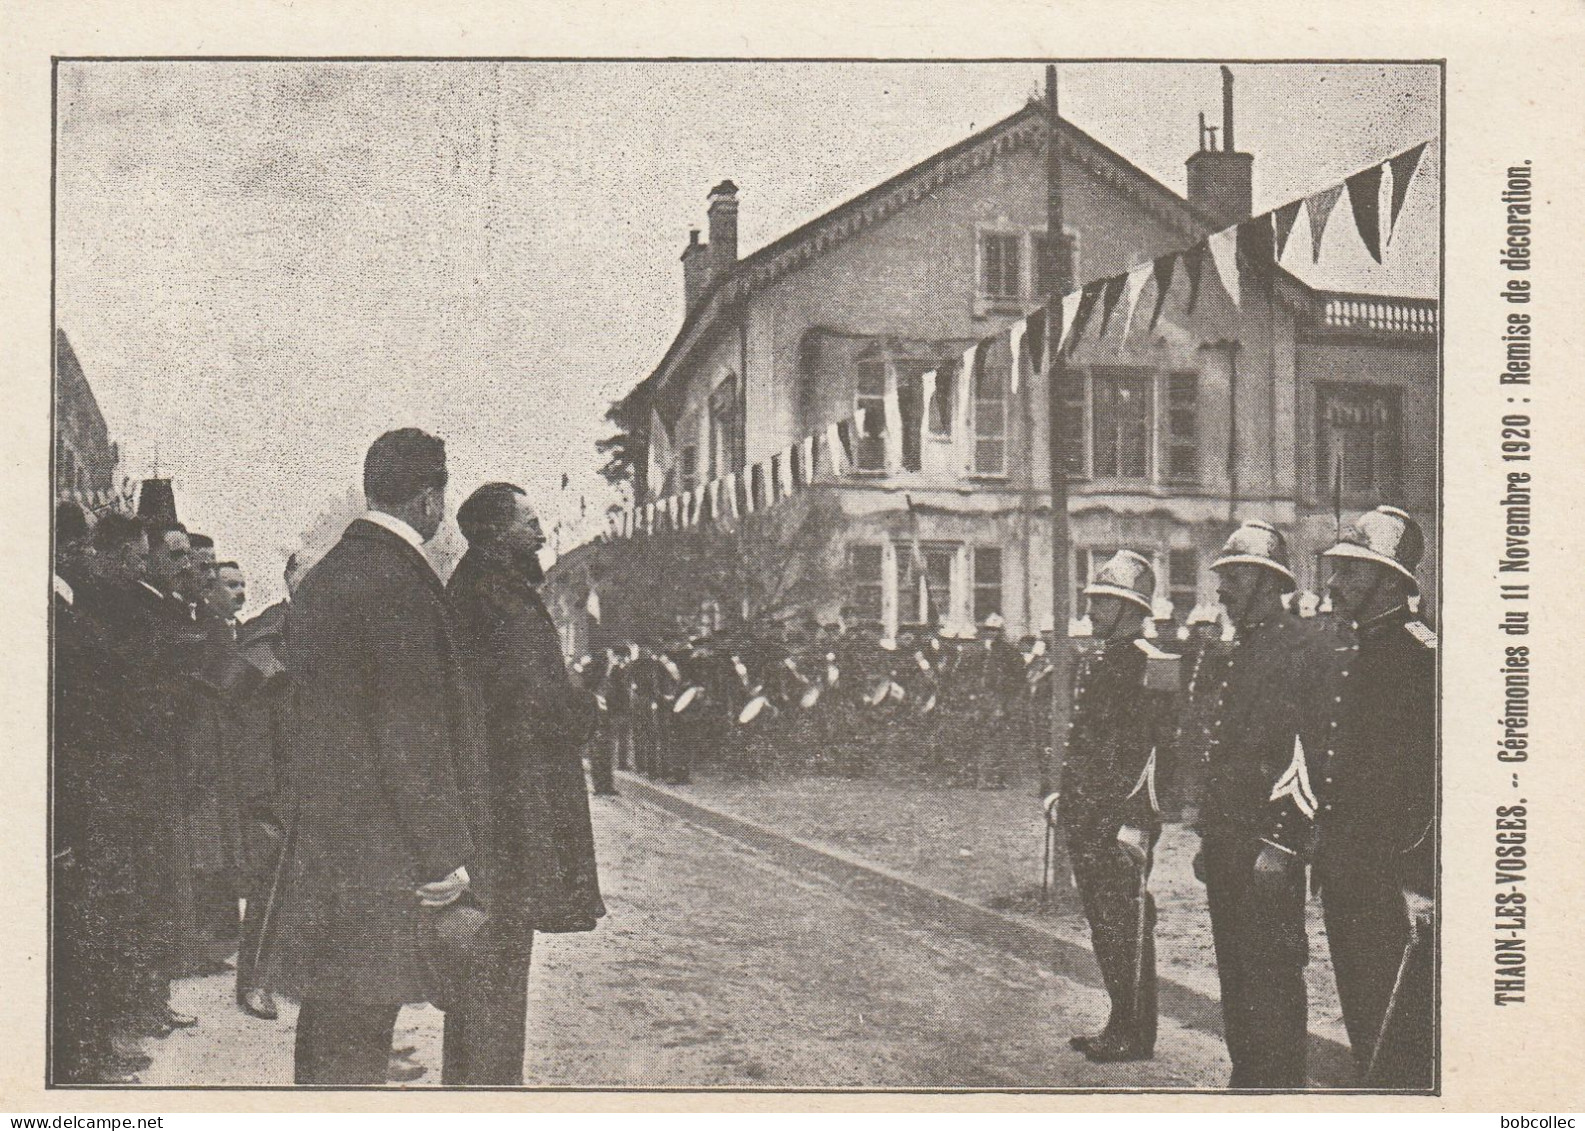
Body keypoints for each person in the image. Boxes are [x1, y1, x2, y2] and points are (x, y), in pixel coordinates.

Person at [269, 428, 488, 1085]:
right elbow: (409, 734)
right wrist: (442, 853)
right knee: (360, 1030)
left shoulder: (329, 575)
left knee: (329, 1024)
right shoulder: (399, 584)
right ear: (429, 500)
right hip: (381, 852)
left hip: (328, 843)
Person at [443, 482, 604, 1085]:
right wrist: (585, 711)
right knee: (499, 956)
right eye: (529, 523)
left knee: (489, 960)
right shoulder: (499, 597)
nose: (540, 535)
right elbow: (534, 699)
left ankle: (474, 1085)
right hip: (508, 805)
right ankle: (489, 1092)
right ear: (494, 532)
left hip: (497, 796)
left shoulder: (484, 588)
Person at [1194, 520, 1337, 1089]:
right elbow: (1221, 749)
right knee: (1235, 968)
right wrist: (1210, 835)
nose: (1222, 591)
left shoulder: (1301, 646)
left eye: (1232, 578)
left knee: (1272, 971)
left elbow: (1309, 751)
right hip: (1231, 840)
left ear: (1261, 581)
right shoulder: (1240, 648)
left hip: (1267, 845)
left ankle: (1278, 1088)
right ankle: (1249, 1080)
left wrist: (1282, 841)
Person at [1311, 506, 1436, 1088]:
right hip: (1346, 868)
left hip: (1392, 879)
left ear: (1391, 581)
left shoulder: (1421, 659)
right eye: (1335, 572)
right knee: (1367, 1018)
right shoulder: (1354, 650)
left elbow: (1433, 783)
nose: (1334, 584)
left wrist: (1418, 880)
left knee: (1401, 1034)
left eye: (1350, 574)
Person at [1058, 551, 1178, 1063]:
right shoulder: (1107, 658)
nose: (1090, 613)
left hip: (1120, 822)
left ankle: (1135, 1032)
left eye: (1102, 604)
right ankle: (1118, 1019)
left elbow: (1161, 749)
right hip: (1090, 818)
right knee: (1105, 923)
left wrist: (1138, 821)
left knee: (1126, 923)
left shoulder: (1154, 662)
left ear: (1131, 608)